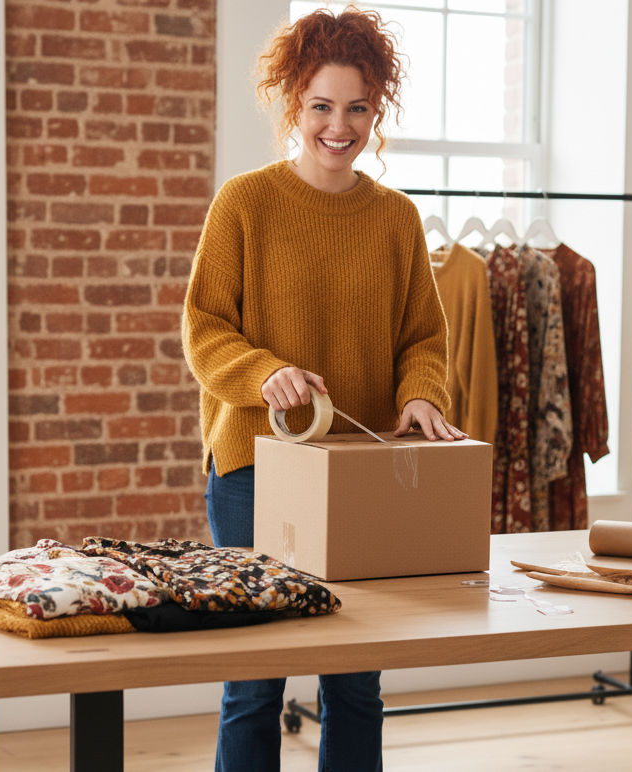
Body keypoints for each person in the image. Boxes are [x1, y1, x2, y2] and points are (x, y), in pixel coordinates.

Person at [182, 7, 465, 771]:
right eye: (321, 106)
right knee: (253, 681)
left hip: (359, 476)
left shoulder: (398, 220)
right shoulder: (244, 203)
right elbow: (204, 330)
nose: (339, 127)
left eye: (358, 108)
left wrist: (421, 395)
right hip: (254, 471)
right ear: (291, 102)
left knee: (356, 682)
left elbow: (424, 340)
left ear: (378, 109)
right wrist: (262, 371)